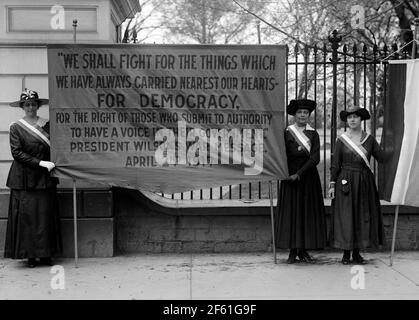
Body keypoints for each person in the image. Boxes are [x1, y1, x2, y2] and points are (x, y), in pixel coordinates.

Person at [4, 89, 62, 268]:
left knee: (45, 216)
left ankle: (45, 255)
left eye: (34, 104)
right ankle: (30, 256)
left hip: (45, 178)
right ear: (22, 107)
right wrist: (40, 163)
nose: (31, 107)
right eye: (27, 104)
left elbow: (57, 146)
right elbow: (17, 153)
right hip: (24, 178)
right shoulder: (16, 127)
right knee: (27, 218)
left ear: (38, 106)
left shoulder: (47, 125)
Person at [329, 106, 385, 265]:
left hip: (364, 181)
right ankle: (346, 253)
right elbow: (335, 164)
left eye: (355, 117)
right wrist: (332, 184)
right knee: (346, 216)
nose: (352, 120)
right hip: (345, 180)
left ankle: (357, 252)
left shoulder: (369, 139)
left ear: (361, 119)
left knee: (361, 215)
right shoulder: (341, 140)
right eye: (349, 117)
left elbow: (382, 157)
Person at [275, 99, 326, 263]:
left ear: (308, 115)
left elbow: (315, 158)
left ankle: (303, 250)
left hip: (308, 177)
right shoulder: (287, 132)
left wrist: (300, 173)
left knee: (306, 213)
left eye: (305, 113)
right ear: (294, 115)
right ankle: (292, 251)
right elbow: (281, 154)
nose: (303, 115)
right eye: (299, 112)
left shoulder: (313, 134)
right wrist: (285, 172)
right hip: (289, 178)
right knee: (292, 213)